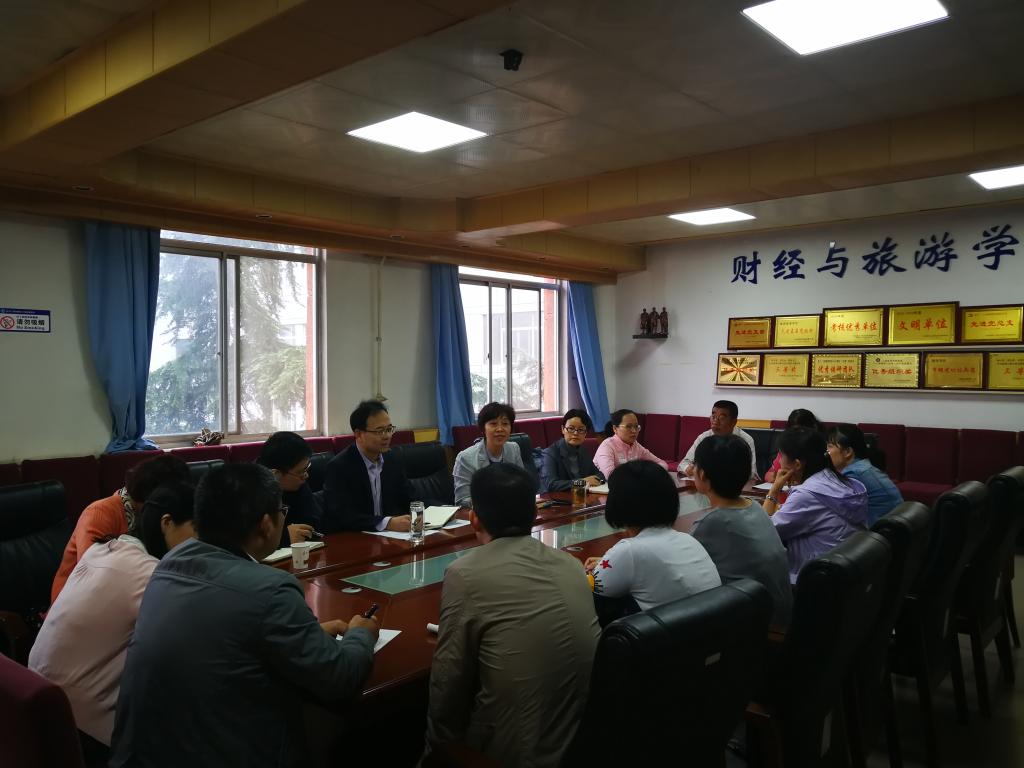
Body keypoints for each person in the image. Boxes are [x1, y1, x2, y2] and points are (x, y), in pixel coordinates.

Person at [109, 464, 379, 768]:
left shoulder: (168, 565)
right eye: (282, 511)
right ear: (266, 525)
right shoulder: (271, 589)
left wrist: (306, 638)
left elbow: (228, 642)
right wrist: (361, 634)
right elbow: (340, 679)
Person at [425, 463, 600, 767]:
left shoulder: (464, 574)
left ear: (473, 518)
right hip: (588, 740)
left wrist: (435, 754)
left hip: (514, 752)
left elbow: (448, 682)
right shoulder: (570, 564)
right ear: (534, 515)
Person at [29, 482, 196, 754]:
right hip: (84, 729)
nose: (201, 542)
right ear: (167, 523)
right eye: (197, 529)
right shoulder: (150, 574)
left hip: (38, 702)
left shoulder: (106, 549)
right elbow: (194, 631)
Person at [585, 460, 720, 621]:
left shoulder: (629, 551)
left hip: (664, 635)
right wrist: (612, 563)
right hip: (707, 630)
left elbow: (590, 599)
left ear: (618, 504)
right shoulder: (688, 540)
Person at [51, 453, 190, 602]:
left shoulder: (153, 517)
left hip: (128, 594)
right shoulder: (100, 513)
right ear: (153, 494)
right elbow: (94, 574)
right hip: (77, 601)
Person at [688, 435, 793, 625]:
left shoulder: (711, 523)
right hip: (781, 612)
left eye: (695, 464)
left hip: (760, 626)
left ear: (702, 474)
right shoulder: (754, 506)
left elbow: (683, 574)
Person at [764, 427, 868, 582]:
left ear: (797, 464)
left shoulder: (807, 494)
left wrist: (774, 490)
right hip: (845, 575)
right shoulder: (846, 482)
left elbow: (766, 532)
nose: (779, 461)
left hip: (812, 580)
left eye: (782, 456)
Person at [322, 400, 414, 532]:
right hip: (355, 538)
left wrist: (428, 512)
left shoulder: (392, 460)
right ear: (358, 434)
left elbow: (409, 497)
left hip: (391, 536)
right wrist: (386, 523)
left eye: (389, 429)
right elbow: (342, 515)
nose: (387, 436)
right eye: (380, 431)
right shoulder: (339, 467)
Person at [827, 423, 903, 526]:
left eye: (830, 446)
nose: (826, 452)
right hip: (892, 525)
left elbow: (836, 510)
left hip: (879, 530)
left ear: (847, 452)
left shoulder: (853, 474)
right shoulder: (862, 466)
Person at [452, 402, 525, 507]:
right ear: (483, 429)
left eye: (505, 424)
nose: (500, 429)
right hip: (481, 513)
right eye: (493, 424)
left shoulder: (514, 449)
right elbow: (462, 500)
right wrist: (494, 503)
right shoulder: (465, 458)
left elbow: (522, 485)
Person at [258, 430, 322, 546]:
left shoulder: (298, 484)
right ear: (275, 474)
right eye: (301, 471)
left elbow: (314, 524)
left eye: (307, 468)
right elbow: (250, 538)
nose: (306, 475)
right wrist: (285, 537)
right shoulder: (248, 488)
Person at [679, 400, 758, 481]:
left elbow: (751, 473)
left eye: (721, 418)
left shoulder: (745, 440)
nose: (715, 421)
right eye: (713, 416)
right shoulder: (704, 437)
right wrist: (688, 468)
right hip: (705, 484)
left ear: (733, 422)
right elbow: (683, 463)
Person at [539, 409, 605, 492]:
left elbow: (600, 475)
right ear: (563, 429)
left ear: (586, 433)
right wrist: (582, 482)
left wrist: (596, 480)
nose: (575, 433)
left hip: (580, 495)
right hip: (556, 498)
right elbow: (551, 484)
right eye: (571, 428)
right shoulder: (550, 453)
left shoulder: (582, 450)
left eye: (581, 430)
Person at [592, 408, 668, 479]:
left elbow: (662, 464)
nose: (634, 431)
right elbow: (611, 476)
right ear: (615, 429)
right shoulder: (607, 446)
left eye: (636, 426)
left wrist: (649, 474)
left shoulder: (636, 446)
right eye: (628, 426)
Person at [764, 408, 823, 482]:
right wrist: (773, 476)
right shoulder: (786, 449)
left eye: (801, 432)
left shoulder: (819, 451)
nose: (796, 437)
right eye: (793, 432)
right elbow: (769, 474)